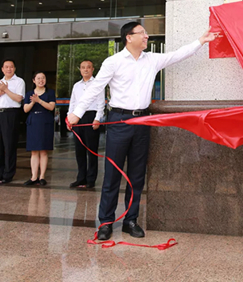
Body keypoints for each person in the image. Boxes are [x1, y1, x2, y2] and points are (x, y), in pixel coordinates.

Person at [67, 21, 218, 241]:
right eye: (143, 33)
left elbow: (177, 55)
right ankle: (106, 222)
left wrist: (201, 41)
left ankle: (130, 220)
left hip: (143, 120)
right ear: (129, 37)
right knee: (112, 174)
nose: (147, 36)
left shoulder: (152, 60)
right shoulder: (114, 62)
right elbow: (96, 87)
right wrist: (77, 113)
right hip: (118, 120)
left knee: (137, 175)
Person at [68, 60, 105, 189]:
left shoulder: (97, 84)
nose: (85, 70)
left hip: (91, 116)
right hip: (78, 118)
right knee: (79, 150)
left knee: (91, 150)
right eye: (83, 67)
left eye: (88, 67)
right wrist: (69, 118)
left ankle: (91, 179)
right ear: (80, 69)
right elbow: (72, 103)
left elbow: (101, 103)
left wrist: (97, 119)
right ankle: (81, 177)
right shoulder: (76, 86)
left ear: (92, 69)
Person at [23, 72, 56, 186]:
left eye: (43, 78)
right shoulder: (29, 94)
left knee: (43, 150)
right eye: (38, 78)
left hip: (45, 121)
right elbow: (26, 109)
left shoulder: (50, 92)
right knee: (34, 151)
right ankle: (33, 177)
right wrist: (33, 101)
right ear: (33, 80)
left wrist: (40, 101)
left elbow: (51, 107)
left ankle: (42, 177)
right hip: (33, 122)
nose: (41, 80)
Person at [0, 59, 25, 184]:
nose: (9, 69)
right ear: (2, 69)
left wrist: (6, 90)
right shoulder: (0, 81)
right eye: (6, 67)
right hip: (0, 112)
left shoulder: (19, 81)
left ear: (14, 68)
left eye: (11, 67)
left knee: (9, 145)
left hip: (11, 114)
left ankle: (8, 174)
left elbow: (18, 99)